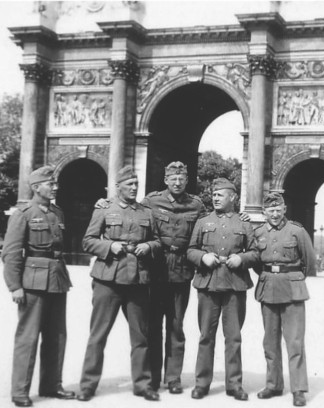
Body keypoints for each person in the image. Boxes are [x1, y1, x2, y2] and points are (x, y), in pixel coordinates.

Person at [77, 166, 162, 402]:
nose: (134, 188)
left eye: (136, 184)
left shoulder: (146, 212)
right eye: (129, 184)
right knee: (98, 335)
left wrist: (149, 247)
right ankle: (87, 385)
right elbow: (88, 241)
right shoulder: (105, 209)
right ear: (118, 187)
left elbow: (156, 241)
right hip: (108, 280)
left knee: (140, 336)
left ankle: (142, 384)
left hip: (137, 280)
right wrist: (108, 247)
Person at [1, 166, 75, 407]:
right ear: (36, 187)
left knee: (57, 336)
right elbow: (11, 253)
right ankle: (20, 391)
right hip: (32, 282)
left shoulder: (57, 213)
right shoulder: (22, 213)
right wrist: (14, 286)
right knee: (28, 337)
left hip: (57, 278)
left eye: (55, 183)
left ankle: (51, 385)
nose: (55, 186)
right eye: (50, 183)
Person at [187, 178, 259, 401]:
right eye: (214, 194)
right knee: (205, 336)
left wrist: (241, 258)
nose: (215, 198)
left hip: (234, 285)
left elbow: (256, 253)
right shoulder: (203, 222)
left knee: (233, 337)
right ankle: (201, 383)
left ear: (233, 197)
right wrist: (203, 257)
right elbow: (190, 250)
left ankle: (234, 384)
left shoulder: (245, 223)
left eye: (220, 194)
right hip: (208, 284)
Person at [140, 162, 207, 394]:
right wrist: (105, 202)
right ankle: (152, 376)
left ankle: (173, 378)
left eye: (181, 178)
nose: (177, 182)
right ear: (166, 180)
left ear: (186, 180)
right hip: (156, 269)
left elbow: (210, 226)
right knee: (153, 325)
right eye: (172, 178)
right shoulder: (151, 201)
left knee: (176, 327)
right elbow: (132, 214)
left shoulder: (196, 205)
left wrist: (245, 219)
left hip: (181, 270)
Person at [253, 192, 316, 407]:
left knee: (294, 342)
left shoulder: (297, 231)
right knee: (270, 342)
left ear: (285, 209)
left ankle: (298, 389)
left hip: (292, 290)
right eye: (270, 210)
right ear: (264, 212)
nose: (275, 214)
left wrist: (293, 277)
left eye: (278, 210)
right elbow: (255, 262)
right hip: (268, 288)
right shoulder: (258, 232)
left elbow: (309, 262)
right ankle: (273, 384)